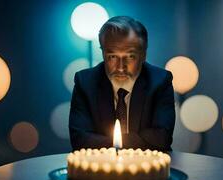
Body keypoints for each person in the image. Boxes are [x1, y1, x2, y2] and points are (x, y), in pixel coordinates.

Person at [69, 16, 175, 151]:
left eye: (130, 56)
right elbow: (80, 140)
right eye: (112, 56)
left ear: (143, 55)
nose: (120, 67)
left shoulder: (160, 81)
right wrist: (139, 141)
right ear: (102, 53)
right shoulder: (85, 82)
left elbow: (162, 139)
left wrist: (104, 141)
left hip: (149, 169)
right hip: (99, 168)